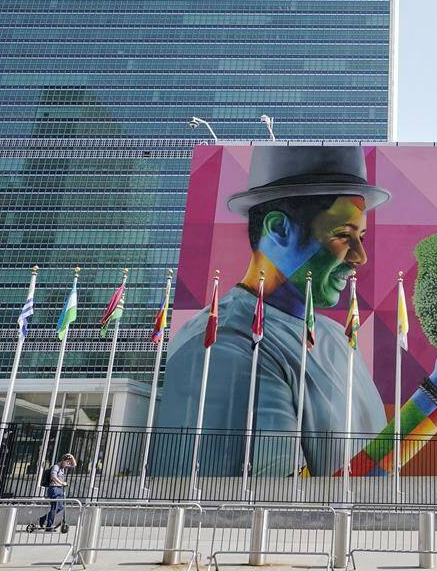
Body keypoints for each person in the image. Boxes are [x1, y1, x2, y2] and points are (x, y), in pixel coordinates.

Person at [156, 146, 390, 477]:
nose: (360, 257)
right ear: (279, 229)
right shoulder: (223, 344)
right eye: (343, 236)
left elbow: (371, 472)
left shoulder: (337, 336)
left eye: (361, 237)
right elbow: (278, 497)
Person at [39, 454, 74, 531]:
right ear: (63, 461)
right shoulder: (56, 467)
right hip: (54, 489)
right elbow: (54, 477)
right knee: (54, 508)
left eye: (68, 462)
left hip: (60, 489)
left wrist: (71, 456)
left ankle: (43, 519)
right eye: (67, 462)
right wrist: (62, 483)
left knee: (60, 507)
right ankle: (49, 526)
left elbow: (74, 464)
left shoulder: (63, 468)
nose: (67, 464)